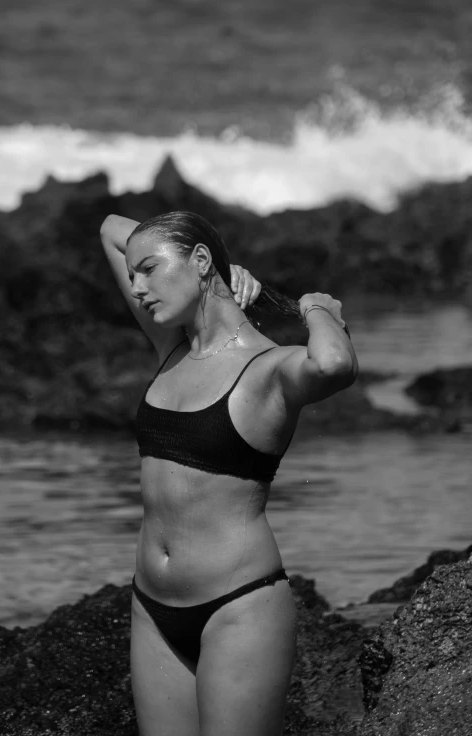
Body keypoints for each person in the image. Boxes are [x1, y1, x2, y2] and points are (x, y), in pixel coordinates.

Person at [100, 211, 358, 736]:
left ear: (196, 263)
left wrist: (317, 308)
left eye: (149, 270)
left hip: (238, 607)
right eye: (132, 276)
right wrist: (216, 261)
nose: (138, 287)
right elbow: (108, 226)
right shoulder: (171, 349)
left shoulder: (270, 370)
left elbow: (333, 365)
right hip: (152, 607)